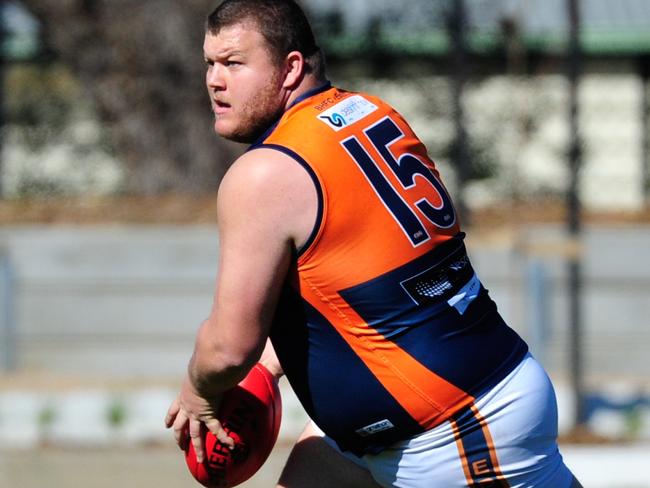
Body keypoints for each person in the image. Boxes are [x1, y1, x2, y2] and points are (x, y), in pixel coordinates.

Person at [165, 1, 582, 486]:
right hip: (415, 415)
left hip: (456, 426)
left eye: (234, 63)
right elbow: (365, 275)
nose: (215, 81)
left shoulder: (265, 172)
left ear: (290, 68)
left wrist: (199, 389)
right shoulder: (367, 112)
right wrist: (278, 364)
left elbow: (228, 350)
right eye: (210, 64)